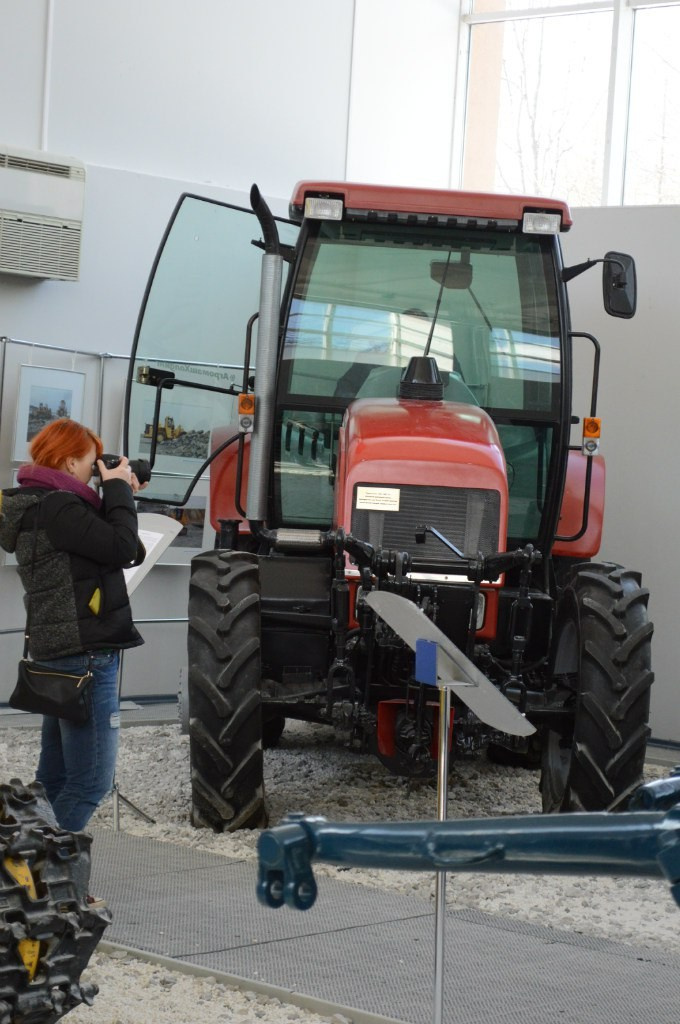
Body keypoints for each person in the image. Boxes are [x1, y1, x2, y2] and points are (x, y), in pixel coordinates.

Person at [0, 418, 145, 832]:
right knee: (90, 782)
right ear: (67, 463)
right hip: (86, 657)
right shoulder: (61, 508)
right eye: (89, 461)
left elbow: (110, 541)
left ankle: (30, 873)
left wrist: (120, 492)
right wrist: (117, 489)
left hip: (57, 653)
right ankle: (36, 870)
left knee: (55, 780)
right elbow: (121, 547)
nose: (93, 469)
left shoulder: (34, 506)